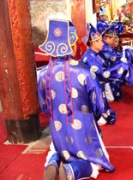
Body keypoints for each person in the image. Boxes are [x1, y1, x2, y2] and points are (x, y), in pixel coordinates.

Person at [37, 19, 115, 180]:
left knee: (58, 147)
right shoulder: (84, 71)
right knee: (96, 162)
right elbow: (98, 102)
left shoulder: (43, 73)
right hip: (83, 123)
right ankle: (73, 170)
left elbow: (44, 105)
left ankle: (53, 160)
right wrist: (104, 115)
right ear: (71, 45)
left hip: (57, 124)